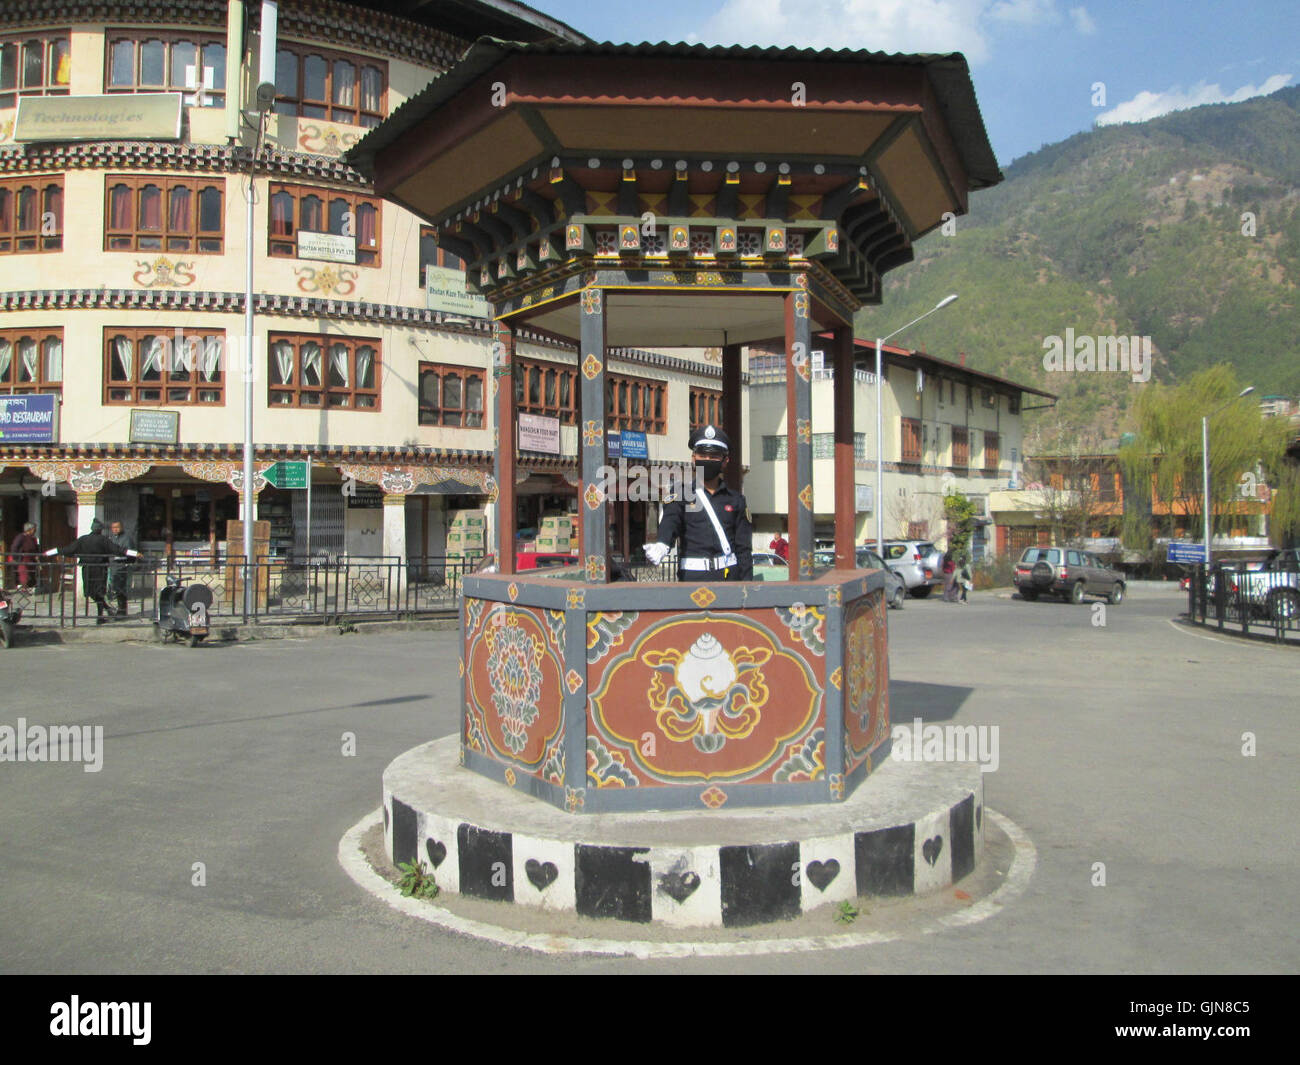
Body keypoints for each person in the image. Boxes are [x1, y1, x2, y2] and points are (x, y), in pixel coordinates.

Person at [644, 424, 753, 582]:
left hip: (729, 578)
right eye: (702, 455)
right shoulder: (681, 494)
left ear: (725, 461)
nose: (707, 460)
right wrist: (662, 543)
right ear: (694, 459)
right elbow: (671, 520)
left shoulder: (736, 500)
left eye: (714, 456)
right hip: (693, 578)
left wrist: (747, 587)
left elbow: (744, 550)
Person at [46, 518, 132, 624]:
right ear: (100, 530)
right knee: (99, 592)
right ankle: (102, 613)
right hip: (100, 570)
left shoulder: (83, 539)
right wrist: (133, 554)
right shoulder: (103, 539)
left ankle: (103, 613)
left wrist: (52, 552)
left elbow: (68, 550)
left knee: (90, 592)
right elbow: (117, 550)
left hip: (87, 569)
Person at [107, 519, 139, 617]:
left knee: (121, 589)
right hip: (113, 567)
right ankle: (119, 610)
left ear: (121, 527)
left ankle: (122, 610)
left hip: (123, 566)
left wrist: (122, 556)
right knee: (115, 588)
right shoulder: (112, 538)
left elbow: (130, 552)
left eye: (117, 527)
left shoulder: (127, 538)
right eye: (113, 528)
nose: (115, 529)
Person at [9, 522, 40, 589]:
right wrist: (16, 558)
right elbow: (14, 547)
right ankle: (24, 590)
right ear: (29, 529)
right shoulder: (21, 537)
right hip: (22, 560)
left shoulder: (33, 538)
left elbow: (35, 548)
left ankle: (31, 589)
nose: (35, 531)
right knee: (24, 575)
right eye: (34, 529)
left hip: (31, 560)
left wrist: (37, 556)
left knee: (32, 576)